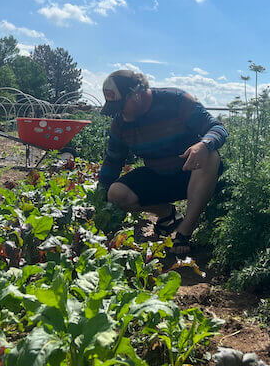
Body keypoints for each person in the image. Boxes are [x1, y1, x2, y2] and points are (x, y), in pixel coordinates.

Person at [97, 69, 228, 255]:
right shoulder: (120, 123)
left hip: (192, 173)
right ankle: (168, 214)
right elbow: (113, 161)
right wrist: (99, 199)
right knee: (117, 193)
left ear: (136, 96)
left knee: (210, 154)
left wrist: (203, 145)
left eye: (120, 106)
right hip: (159, 176)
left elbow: (217, 128)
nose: (117, 113)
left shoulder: (176, 100)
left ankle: (185, 230)